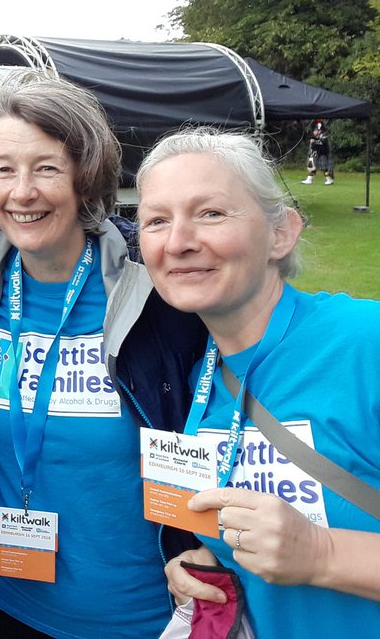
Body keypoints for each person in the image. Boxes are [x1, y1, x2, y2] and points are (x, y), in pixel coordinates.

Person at [0, 71, 206, 638]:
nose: (22, 192)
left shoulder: (157, 289)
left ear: (84, 176)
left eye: (46, 167)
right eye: (4, 170)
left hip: (138, 614)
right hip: (3, 604)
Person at [136, 126, 380, 635]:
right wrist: (208, 560)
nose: (179, 242)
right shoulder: (197, 379)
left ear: (281, 233)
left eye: (211, 213)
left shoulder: (365, 343)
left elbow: (309, 540)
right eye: (157, 220)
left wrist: (323, 553)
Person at [302, 120, 334, 185]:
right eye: (314, 130)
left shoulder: (324, 138)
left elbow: (324, 147)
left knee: (324, 167)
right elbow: (313, 146)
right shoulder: (313, 137)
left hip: (323, 154)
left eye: (316, 130)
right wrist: (313, 143)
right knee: (312, 166)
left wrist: (316, 142)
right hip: (315, 153)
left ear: (320, 131)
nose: (315, 132)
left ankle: (329, 179)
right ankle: (309, 179)